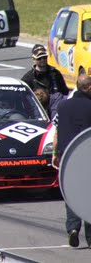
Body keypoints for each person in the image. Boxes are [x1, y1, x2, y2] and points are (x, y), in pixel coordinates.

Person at [52, 74, 91, 248]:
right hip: (87, 155)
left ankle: (73, 228)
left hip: (67, 156)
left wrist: (55, 153)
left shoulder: (62, 106)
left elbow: (56, 131)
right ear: (89, 88)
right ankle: (90, 237)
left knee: (72, 193)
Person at [21, 44, 68, 113]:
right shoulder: (28, 77)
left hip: (55, 109)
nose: (42, 60)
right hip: (37, 109)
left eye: (44, 57)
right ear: (33, 59)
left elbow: (65, 92)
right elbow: (23, 97)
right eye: (39, 58)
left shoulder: (56, 74)